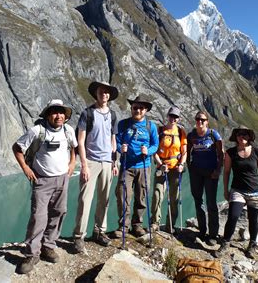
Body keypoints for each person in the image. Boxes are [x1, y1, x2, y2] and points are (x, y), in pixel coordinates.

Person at [12, 99, 77, 274]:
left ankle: (48, 245)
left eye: (61, 112)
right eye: (54, 112)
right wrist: (25, 168)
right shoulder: (37, 131)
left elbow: (73, 147)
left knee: (59, 212)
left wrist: (72, 163)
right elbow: (17, 148)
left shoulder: (68, 130)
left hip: (62, 179)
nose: (59, 116)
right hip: (42, 181)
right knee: (38, 217)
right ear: (48, 115)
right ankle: (32, 254)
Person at [73, 81, 119, 253]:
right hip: (91, 161)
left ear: (109, 95)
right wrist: (84, 165)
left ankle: (99, 231)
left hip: (107, 161)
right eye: (101, 92)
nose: (104, 95)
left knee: (104, 199)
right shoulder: (88, 113)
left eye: (107, 92)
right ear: (96, 94)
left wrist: (115, 162)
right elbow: (81, 141)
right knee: (85, 199)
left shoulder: (113, 115)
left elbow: (113, 140)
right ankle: (79, 236)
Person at [214, 126, 258, 259]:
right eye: (239, 134)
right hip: (237, 190)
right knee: (233, 216)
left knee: (253, 219)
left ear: (249, 136)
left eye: (245, 134)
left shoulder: (257, 152)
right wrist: (226, 190)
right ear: (236, 137)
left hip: (255, 191)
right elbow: (226, 172)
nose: (242, 136)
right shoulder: (230, 153)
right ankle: (225, 243)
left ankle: (252, 245)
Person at [114, 95, 159, 238]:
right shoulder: (123, 124)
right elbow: (116, 141)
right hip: (127, 166)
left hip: (144, 166)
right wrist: (122, 148)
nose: (137, 110)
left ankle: (137, 225)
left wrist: (149, 151)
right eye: (135, 107)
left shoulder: (150, 126)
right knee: (123, 195)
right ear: (131, 108)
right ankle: (123, 225)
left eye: (141, 108)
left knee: (141, 196)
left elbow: (155, 145)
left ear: (145, 110)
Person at [187, 111, 223, 246]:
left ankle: (213, 234)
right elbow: (188, 151)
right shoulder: (192, 135)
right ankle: (202, 230)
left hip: (211, 173)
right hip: (196, 172)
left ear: (207, 121)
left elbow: (221, 154)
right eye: (197, 119)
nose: (199, 122)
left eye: (202, 120)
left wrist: (218, 170)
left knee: (211, 203)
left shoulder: (213, 135)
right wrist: (189, 167)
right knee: (198, 201)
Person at [151, 106, 187, 234]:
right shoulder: (160, 130)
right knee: (157, 195)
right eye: (171, 116)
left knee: (174, 198)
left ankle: (170, 224)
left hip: (176, 169)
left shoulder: (181, 132)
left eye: (176, 117)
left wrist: (182, 164)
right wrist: (160, 165)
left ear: (178, 118)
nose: (173, 119)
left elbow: (184, 151)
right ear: (168, 116)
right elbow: (154, 150)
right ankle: (155, 222)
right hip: (162, 167)